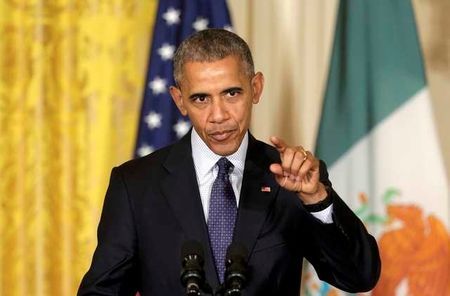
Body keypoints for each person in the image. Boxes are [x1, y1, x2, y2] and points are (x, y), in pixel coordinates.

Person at [78, 29, 380, 296]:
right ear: (179, 100)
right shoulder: (136, 185)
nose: (219, 115)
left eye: (231, 93)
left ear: (256, 88)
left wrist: (316, 199)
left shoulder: (293, 179)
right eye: (201, 99)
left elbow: (359, 276)